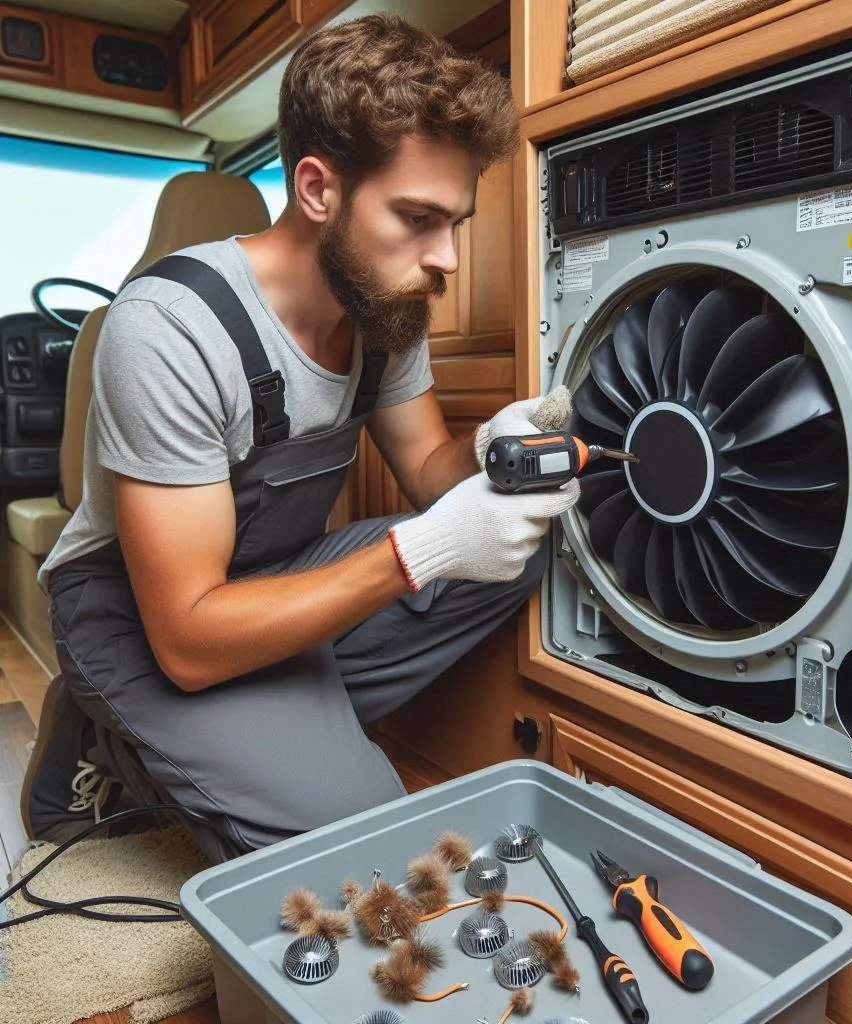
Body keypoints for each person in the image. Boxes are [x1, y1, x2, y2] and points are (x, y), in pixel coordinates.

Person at [23, 13, 579, 863]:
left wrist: (488, 450)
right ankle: (111, 741)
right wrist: (421, 551)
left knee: (521, 547)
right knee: (362, 844)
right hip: (142, 617)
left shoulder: (383, 307)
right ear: (318, 190)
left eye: (454, 224)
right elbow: (189, 635)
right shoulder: (170, 328)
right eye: (418, 218)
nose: (448, 260)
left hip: (268, 583)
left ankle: (265, 732)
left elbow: (433, 473)